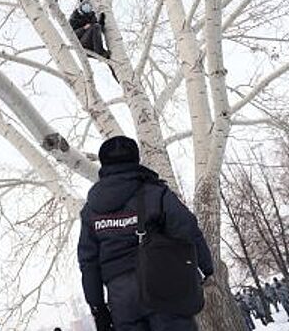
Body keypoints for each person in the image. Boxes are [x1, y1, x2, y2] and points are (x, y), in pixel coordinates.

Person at [77, 136, 213, 331]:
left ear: (104, 164)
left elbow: (88, 263)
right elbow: (186, 228)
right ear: (135, 159)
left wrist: (98, 307)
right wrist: (206, 267)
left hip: (121, 299)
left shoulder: (91, 211)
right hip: (163, 285)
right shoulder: (155, 192)